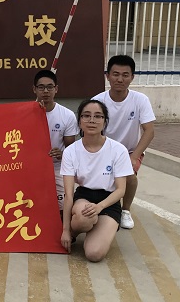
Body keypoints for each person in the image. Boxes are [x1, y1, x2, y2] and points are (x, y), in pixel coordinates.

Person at [60, 99, 134, 262]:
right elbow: (68, 195)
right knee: (84, 217)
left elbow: (120, 190)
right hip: (84, 197)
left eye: (98, 116)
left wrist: (99, 206)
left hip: (109, 202)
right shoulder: (71, 151)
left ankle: (98, 227)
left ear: (105, 121)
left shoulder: (118, 150)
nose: (92, 120)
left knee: (94, 254)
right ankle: (75, 231)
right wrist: (65, 230)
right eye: (86, 116)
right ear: (79, 121)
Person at [93, 55, 155, 230]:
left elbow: (149, 131)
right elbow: (92, 130)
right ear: (107, 76)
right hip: (104, 149)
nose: (120, 79)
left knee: (129, 176)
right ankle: (102, 206)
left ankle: (125, 210)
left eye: (125, 75)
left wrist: (134, 157)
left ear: (132, 77)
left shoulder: (140, 100)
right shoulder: (98, 101)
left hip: (129, 150)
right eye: (115, 74)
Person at [33, 70, 78, 212]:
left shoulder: (67, 115)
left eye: (50, 87)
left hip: (57, 167)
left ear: (56, 89)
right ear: (34, 89)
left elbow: (71, 149)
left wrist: (61, 154)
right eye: (41, 87)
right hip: (32, 167)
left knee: (63, 205)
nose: (46, 91)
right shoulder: (25, 114)